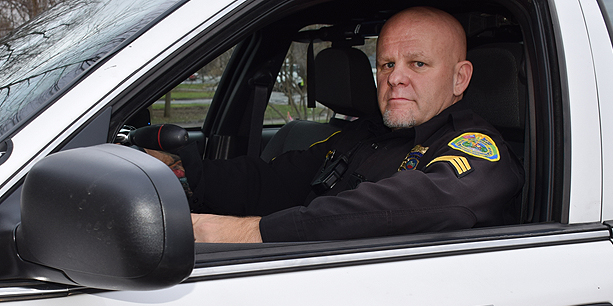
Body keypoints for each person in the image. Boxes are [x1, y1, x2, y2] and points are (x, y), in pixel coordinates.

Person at [178, 6, 524, 243]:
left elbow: (397, 208)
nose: (396, 78)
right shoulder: (365, 134)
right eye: (387, 64)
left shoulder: (477, 152)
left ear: (459, 79)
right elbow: (275, 180)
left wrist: (252, 232)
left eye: (418, 63)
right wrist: (185, 173)